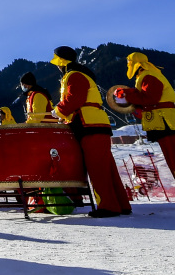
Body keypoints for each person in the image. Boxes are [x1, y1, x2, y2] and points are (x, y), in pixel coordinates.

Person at [113, 53, 175, 210]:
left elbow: (151, 97)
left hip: (165, 121)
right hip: (162, 121)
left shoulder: (149, 75)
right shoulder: (149, 74)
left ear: (134, 64)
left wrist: (127, 94)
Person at [50, 46, 131, 217]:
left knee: (97, 167)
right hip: (95, 122)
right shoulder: (79, 74)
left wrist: (58, 111)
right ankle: (121, 204)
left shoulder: (74, 75)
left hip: (88, 123)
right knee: (107, 166)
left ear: (61, 61)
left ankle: (108, 206)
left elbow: (75, 98)